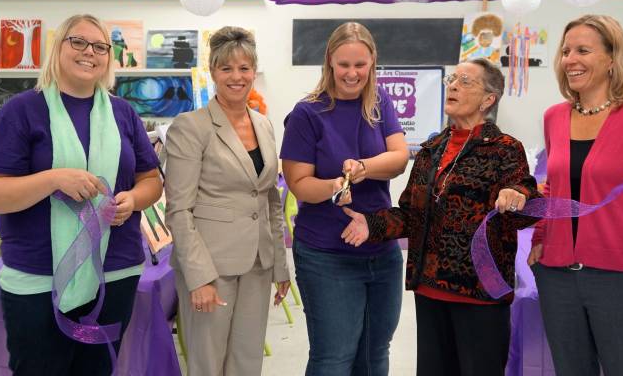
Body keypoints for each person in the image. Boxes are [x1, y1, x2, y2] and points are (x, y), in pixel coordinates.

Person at [341, 57, 541, 376]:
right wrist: (372, 224)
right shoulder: (431, 148)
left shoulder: (504, 148)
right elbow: (411, 215)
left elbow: (526, 199)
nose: (454, 86)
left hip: (480, 292)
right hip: (430, 287)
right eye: (453, 80)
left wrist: (519, 195)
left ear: (488, 99)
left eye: (466, 81)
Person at [0, 14, 163, 375]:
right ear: (58, 47)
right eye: (78, 42)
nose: (90, 53)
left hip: (114, 274)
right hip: (38, 278)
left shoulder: (123, 112)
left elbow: (151, 181)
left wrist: (133, 200)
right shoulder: (22, 110)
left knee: (97, 369)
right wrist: (51, 179)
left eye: (100, 47)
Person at [527, 14, 623, 376]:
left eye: (583, 50)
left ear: (612, 58)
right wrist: (540, 236)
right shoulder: (554, 116)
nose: (570, 59)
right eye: (566, 51)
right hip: (558, 279)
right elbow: (554, 187)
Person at [280, 21, 409, 375]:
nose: (352, 74)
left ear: (373, 63)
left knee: (374, 352)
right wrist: (336, 185)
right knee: (334, 357)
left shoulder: (380, 103)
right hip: (326, 256)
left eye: (360, 65)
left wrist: (364, 167)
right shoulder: (307, 113)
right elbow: (298, 183)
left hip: (381, 252)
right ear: (329, 63)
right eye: (344, 65)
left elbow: (398, 159)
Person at [165, 26, 290, 376]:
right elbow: (179, 210)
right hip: (211, 267)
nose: (237, 77)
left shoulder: (264, 124)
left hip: (258, 263)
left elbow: (269, 201)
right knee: (208, 364)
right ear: (213, 72)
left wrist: (280, 265)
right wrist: (198, 277)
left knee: (247, 362)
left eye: (244, 68)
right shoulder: (191, 127)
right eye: (227, 69)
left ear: (254, 71)